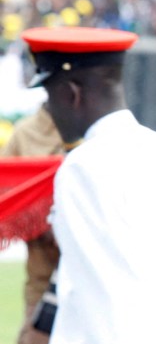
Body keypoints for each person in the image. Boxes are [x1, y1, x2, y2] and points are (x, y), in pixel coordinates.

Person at [19, 27, 156, 344]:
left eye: (51, 99)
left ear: (71, 95)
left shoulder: (82, 167)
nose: (52, 112)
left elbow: (92, 300)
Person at [1, 103, 64, 344]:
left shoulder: (97, 137)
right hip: (43, 282)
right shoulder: (26, 134)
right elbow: (6, 198)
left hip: (91, 285)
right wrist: (38, 221)